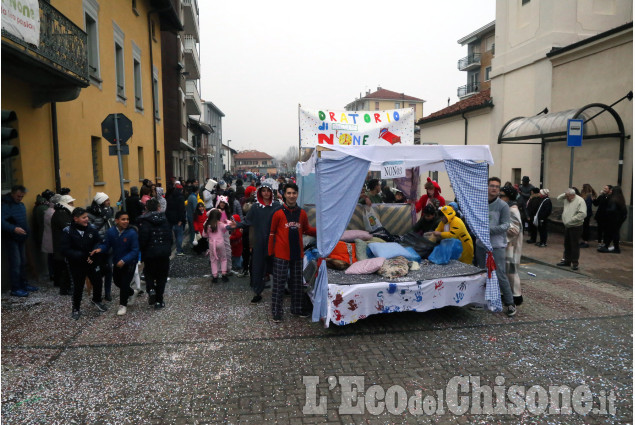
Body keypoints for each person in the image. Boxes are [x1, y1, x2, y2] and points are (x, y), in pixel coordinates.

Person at [268, 183, 317, 322]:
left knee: (297, 284)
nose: (291, 196)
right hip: (281, 255)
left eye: (294, 193)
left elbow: (306, 229)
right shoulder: (277, 213)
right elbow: (271, 233)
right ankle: (277, 312)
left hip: (298, 254)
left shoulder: (301, 213)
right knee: (278, 285)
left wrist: (321, 230)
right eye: (289, 193)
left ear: (297, 194)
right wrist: (270, 252)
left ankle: (297, 309)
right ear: (284, 195)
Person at [229, 182, 281, 304]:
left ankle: (281, 289)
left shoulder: (277, 206)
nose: (266, 193)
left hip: (274, 243)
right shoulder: (256, 208)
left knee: (278, 267)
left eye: (268, 191)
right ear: (260, 193)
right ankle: (258, 292)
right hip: (259, 242)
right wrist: (237, 225)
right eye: (263, 191)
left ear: (271, 192)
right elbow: (247, 221)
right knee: (258, 268)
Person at [474, 177, 516, 317]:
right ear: (487, 187)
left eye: (497, 187)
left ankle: (510, 303)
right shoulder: (480, 203)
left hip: (496, 246)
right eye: (491, 186)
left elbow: (506, 225)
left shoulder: (503, 206)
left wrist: (489, 231)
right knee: (482, 273)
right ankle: (482, 301)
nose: (494, 188)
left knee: (499, 274)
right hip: (481, 244)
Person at [60, 207, 107, 320]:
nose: (87, 219)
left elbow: (98, 242)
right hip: (77, 264)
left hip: (92, 261)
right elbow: (66, 250)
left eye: (87, 217)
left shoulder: (92, 229)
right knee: (78, 286)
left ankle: (97, 300)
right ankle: (76, 308)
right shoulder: (68, 231)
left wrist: (94, 253)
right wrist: (82, 255)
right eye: (84, 217)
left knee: (98, 281)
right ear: (76, 219)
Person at [92, 211, 140, 315]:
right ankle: (132, 292)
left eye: (127, 219)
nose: (126, 221)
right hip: (117, 262)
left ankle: (123, 305)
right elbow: (106, 245)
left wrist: (124, 260)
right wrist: (100, 249)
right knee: (118, 282)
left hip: (130, 262)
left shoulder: (132, 233)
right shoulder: (111, 232)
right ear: (117, 220)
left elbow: (135, 250)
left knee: (124, 283)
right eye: (123, 219)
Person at [2, 185, 38, 297]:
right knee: (16, 263)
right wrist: (13, 229)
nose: (20, 198)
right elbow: (1, 222)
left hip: (22, 238)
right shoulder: (5, 206)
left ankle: (24, 283)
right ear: (12, 193)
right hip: (11, 238)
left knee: (23, 262)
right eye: (18, 196)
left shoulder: (21, 205)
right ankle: (15, 288)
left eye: (22, 196)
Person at [138, 199, 172, 309]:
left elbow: (143, 239)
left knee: (149, 272)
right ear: (158, 207)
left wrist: (142, 251)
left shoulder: (144, 221)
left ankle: (151, 288)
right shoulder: (165, 220)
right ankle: (159, 300)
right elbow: (169, 237)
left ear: (146, 208)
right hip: (163, 253)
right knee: (162, 276)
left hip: (150, 253)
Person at [87, 192, 115, 301]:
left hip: (108, 244)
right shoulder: (90, 213)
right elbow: (91, 229)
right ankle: (97, 292)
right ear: (101, 202)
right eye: (107, 200)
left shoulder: (110, 210)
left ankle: (107, 292)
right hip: (98, 245)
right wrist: (103, 217)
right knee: (98, 271)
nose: (109, 202)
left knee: (109, 269)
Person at [500, 186, 524, 306]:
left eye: (502, 195)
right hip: (507, 244)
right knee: (506, 270)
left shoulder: (512, 210)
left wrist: (501, 226)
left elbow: (514, 230)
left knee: (511, 270)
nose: (500, 197)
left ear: (508, 197)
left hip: (512, 245)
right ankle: (507, 293)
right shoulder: (506, 208)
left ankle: (516, 296)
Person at [556, 188, 587, 271]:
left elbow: (582, 214)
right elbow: (558, 198)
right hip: (567, 226)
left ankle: (575, 263)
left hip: (576, 226)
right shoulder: (566, 198)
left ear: (573, 195)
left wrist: (572, 219)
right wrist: (565, 194)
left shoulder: (580, 201)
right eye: (566, 196)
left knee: (574, 245)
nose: (567, 198)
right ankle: (567, 260)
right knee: (567, 244)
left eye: (568, 196)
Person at [52, 194, 75, 295]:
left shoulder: (63, 212)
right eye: (71, 203)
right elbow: (67, 227)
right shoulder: (61, 213)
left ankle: (66, 287)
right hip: (61, 244)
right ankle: (65, 288)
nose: (73, 205)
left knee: (65, 267)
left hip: (62, 244)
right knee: (64, 267)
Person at [598, 186, 627, 254]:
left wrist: (606, 211)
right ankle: (611, 247)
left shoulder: (613, 200)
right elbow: (624, 211)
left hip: (613, 220)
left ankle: (613, 248)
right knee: (614, 233)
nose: (610, 191)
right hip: (618, 220)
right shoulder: (621, 199)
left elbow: (612, 210)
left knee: (611, 233)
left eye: (612, 190)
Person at [204, 209, 230, 283]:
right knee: (223, 258)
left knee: (213, 260)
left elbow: (204, 235)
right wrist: (226, 221)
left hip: (212, 244)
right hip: (220, 243)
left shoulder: (207, 224)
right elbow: (228, 226)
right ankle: (224, 274)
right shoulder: (221, 224)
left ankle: (215, 276)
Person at [42, 193, 61, 282]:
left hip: (49, 237)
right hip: (52, 238)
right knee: (53, 258)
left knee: (51, 257)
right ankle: (54, 275)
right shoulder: (53, 213)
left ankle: (52, 274)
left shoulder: (48, 210)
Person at [165, 182, 186, 256]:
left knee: (170, 236)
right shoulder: (180, 198)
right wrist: (181, 220)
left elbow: (168, 209)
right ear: (181, 190)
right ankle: (179, 250)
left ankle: (169, 250)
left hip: (170, 219)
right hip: (178, 220)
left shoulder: (170, 197)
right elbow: (181, 210)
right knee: (179, 236)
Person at [593, 185, 612, 249]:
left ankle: (605, 243)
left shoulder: (610, 197)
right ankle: (599, 242)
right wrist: (594, 199)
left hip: (607, 217)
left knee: (606, 230)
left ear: (609, 190)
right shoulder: (601, 196)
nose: (604, 189)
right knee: (599, 230)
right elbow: (596, 204)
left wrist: (604, 196)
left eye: (606, 188)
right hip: (600, 216)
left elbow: (608, 204)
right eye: (604, 188)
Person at [579, 184, 597, 248]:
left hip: (586, 214)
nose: (581, 188)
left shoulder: (588, 196)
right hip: (586, 214)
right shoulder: (588, 196)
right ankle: (584, 241)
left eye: (582, 187)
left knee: (585, 228)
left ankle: (585, 242)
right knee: (584, 228)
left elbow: (588, 206)